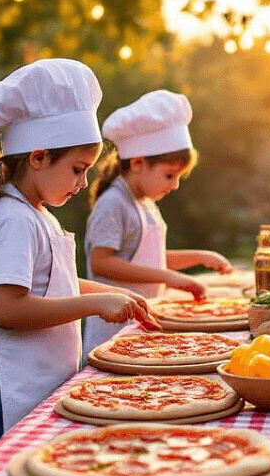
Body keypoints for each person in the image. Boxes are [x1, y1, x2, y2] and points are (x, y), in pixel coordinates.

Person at [0, 58, 155, 460]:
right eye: (78, 169)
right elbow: (8, 308)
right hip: (3, 387)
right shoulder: (14, 221)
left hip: (33, 380)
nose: (84, 182)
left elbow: (55, 285)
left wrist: (112, 293)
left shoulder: (37, 214)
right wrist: (94, 304)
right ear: (38, 157)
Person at [82, 89, 232, 355]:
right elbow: (101, 262)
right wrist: (171, 278)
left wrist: (199, 257)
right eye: (169, 175)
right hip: (114, 334)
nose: (174, 186)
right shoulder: (113, 204)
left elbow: (149, 260)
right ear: (138, 162)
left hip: (142, 327)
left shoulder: (146, 203)